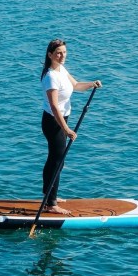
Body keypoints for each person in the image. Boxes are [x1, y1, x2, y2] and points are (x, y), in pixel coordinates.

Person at [40, 39, 102, 214]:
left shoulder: (61, 70)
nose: (62, 56)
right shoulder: (51, 76)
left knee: (55, 159)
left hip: (60, 120)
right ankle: (51, 204)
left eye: (64, 52)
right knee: (57, 160)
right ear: (50, 54)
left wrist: (92, 84)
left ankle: (48, 195)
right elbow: (54, 106)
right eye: (58, 53)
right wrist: (66, 130)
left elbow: (76, 86)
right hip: (53, 122)